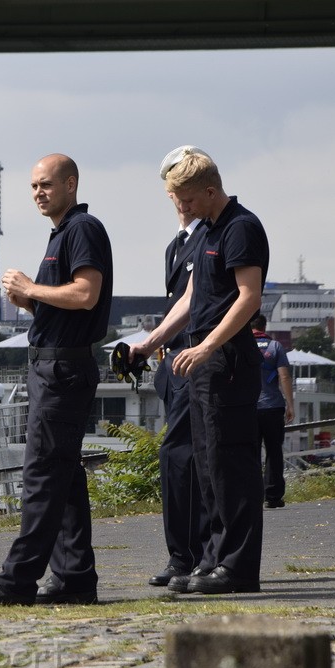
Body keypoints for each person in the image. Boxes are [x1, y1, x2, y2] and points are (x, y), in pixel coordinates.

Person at [0, 153, 113, 608]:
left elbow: (86, 295)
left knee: (42, 474)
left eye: (46, 184)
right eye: (32, 187)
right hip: (53, 363)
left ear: (71, 183)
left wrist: (30, 289)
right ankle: (74, 576)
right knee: (63, 476)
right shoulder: (60, 234)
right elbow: (62, 308)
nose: (38, 193)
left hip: (62, 368)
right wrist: (29, 303)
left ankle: (17, 579)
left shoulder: (83, 229)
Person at [130, 150, 268, 594]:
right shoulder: (207, 229)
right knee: (207, 468)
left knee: (231, 466)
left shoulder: (240, 227)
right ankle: (211, 560)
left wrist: (208, 345)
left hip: (226, 358)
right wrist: (151, 342)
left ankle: (238, 567)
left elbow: (248, 298)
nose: (182, 209)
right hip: (203, 361)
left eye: (187, 200)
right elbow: (191, 298)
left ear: (210, 191)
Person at [147, 146, 211, 588]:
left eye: (185, 193)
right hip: (175, 362)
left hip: (195, 357)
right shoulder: (177, 245)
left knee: (183, 456)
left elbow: (191, 304)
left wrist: (154, 340)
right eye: (173, 193)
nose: (179, 202)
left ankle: (188, 556)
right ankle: (184, 555)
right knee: (179, 459)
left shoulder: (210, 237)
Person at [251, 314, 294, 509]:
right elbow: (284, 377)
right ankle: (273, 496)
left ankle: (252, 496)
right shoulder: (275, 347)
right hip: (273, 407)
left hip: (248, 408)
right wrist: (290, 404)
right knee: (274, 451)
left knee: (249, 453)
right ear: (264, 326)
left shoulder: (241, 346)